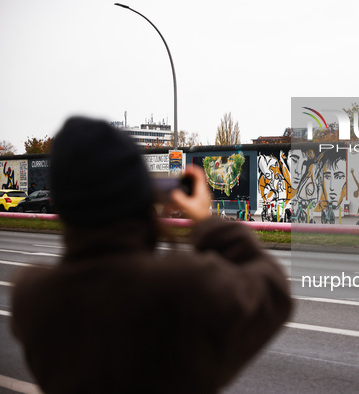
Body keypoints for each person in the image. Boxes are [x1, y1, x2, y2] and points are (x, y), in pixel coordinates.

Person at [10, 117, 292, 394]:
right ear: (144, 195)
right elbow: (273, 288)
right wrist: (205, 221)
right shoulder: (182, 286)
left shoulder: (33, 297)